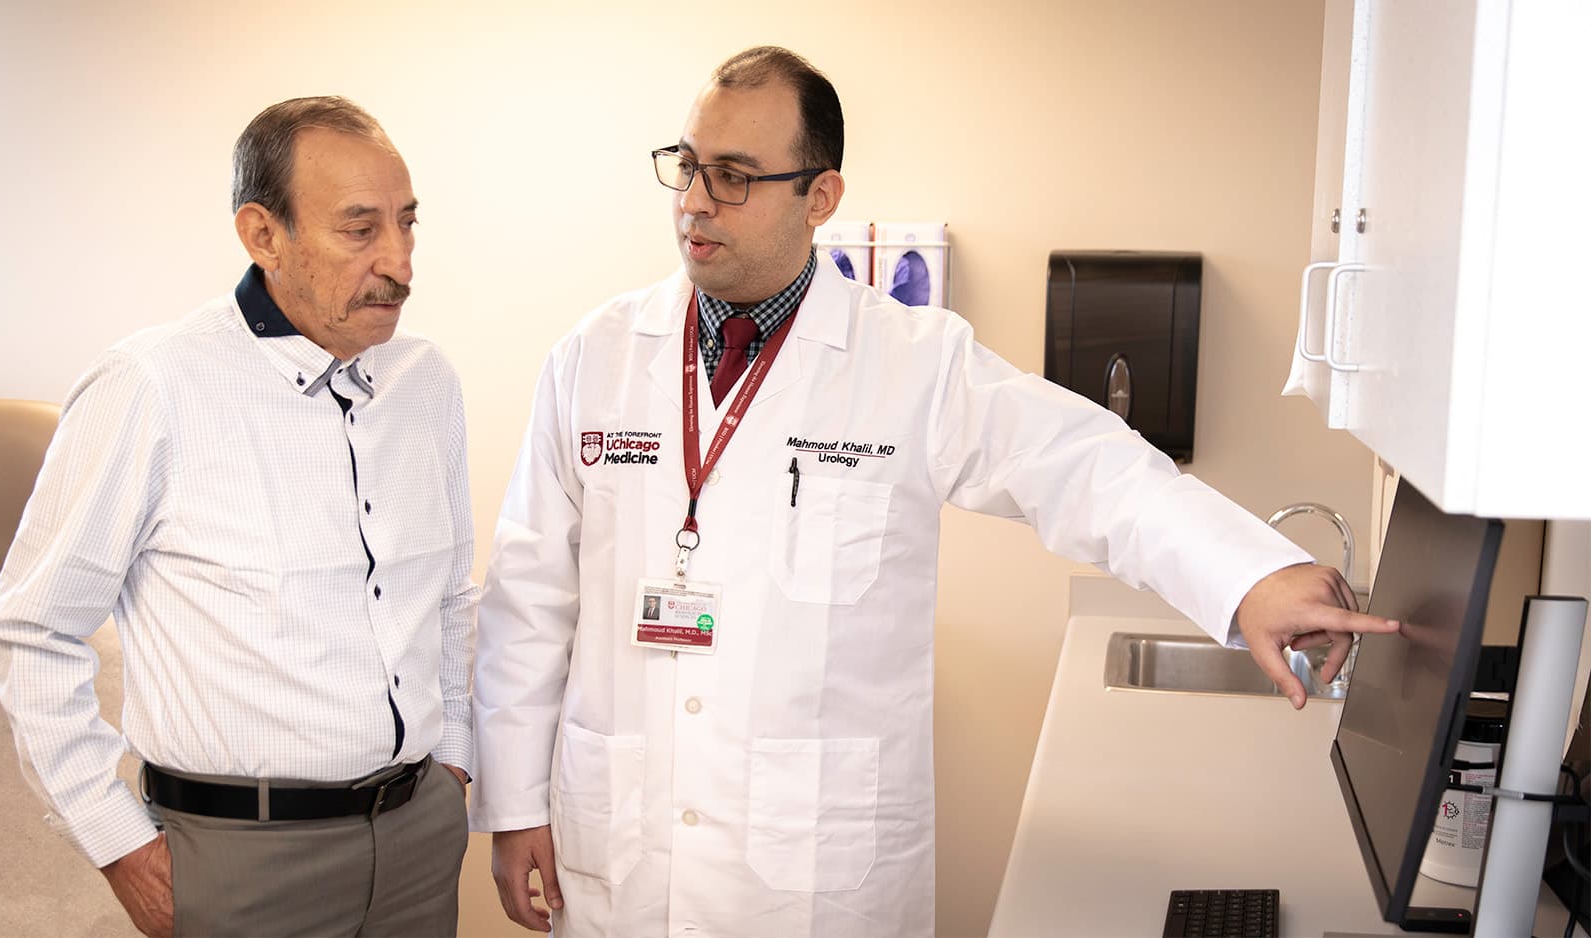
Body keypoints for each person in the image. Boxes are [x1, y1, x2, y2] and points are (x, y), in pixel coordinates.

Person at [470, 47, 1397, 938]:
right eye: (689, 167)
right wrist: (514, 804)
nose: (697, 203)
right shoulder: (593, 358)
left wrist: (1249, 577)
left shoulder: (914, 364)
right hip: (622, 854)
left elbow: (1087, 467)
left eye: (737, 176)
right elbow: (529, 598)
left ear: (820, 196)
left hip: (813, 879)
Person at [0, 96, 479, 938]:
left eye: (408, 223)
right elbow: (31, 629)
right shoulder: (152, 386)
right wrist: (118, 846)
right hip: (241, 855)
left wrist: (455, 761)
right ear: (262, 234)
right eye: (360, 231)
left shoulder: (425, 382)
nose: (399, 262)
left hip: (419, 839)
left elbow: (450, 597)